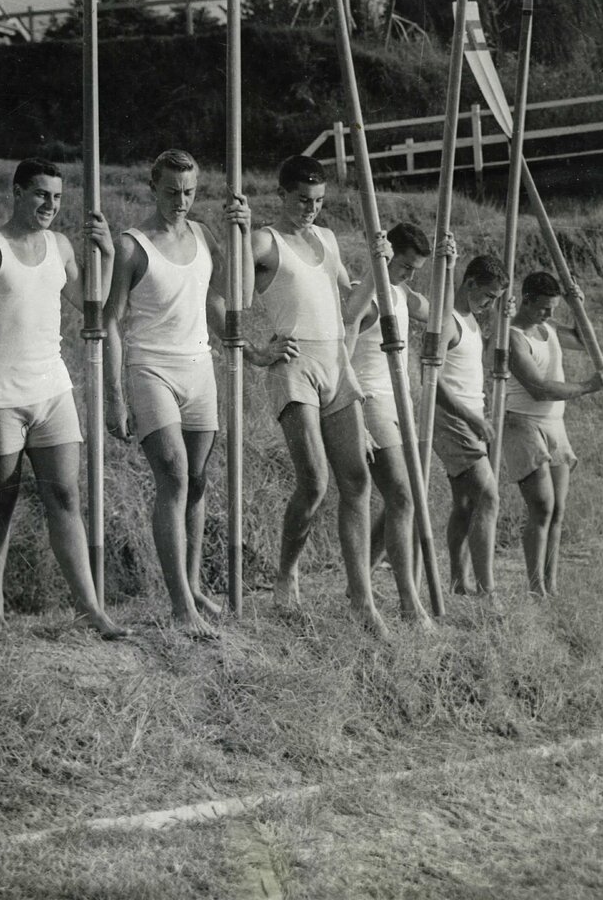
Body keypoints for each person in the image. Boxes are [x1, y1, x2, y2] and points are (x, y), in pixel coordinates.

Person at [0, 158, 126, 638]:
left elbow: (92, 305)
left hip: (52, 391)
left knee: (65, 496)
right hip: (0, 396)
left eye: (56, 197)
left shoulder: (60, 245)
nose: (50, 205)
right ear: (17, 192)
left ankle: (90, 609)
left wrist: (108, 255)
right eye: (40, 194)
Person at [104, 148, 253, 638]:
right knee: (172, 473)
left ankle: (192, 586)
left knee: (198, 480)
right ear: (153, 187)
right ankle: (180, 607)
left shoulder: (205, 235)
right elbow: (111, 322)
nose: (181, 201)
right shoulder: (132, 245)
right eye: (171, 191)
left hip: (198, 366)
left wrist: (242, 233)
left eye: (189, 192)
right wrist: (114, 395)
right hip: (151, 367)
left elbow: (233, 295)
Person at [246, 155, 389, 637]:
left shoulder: (326, 239)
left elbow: (351, 311)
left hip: (336, 363)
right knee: (314, 483)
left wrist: (378, 270)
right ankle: (286, 575)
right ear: (281, 194)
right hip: (295, 365)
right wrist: (255, 351)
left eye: (319, 201)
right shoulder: (264, 240)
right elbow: (223, 295)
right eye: (302, 200)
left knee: (358, 481)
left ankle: (361, 597)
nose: (310, 209)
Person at [346, 221, 452, 626]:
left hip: (400, 402)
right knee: (404, 497)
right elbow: (343, 348)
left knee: (400, 499)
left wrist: (447, 267)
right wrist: (355, 414)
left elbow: (440, 316)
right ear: (387, 254)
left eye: (415, 270)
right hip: (371, 401)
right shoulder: (366, 294)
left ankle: (361, 581)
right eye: (405, 266)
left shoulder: (403, 294)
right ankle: (409, 602)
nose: (409, 275)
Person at [503, 271, 603, 597]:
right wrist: (587, 387)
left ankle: (552, 585)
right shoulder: (512, 336)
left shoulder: (548, 327)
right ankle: (536, 590)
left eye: (554, 308)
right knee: (542, 506)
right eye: (544, 307)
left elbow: (584, 340)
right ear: (527, 299)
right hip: (522, 424)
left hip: (554, 425)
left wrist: (577, 307)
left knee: (558, 509)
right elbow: (539, 389)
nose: (549, 314)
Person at [432, 253, 509, 605]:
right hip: (454, 419)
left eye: (495, 299)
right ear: (471, 283)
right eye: (488, 296)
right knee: (488, 497)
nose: (490, 303)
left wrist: (502, 319)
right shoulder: (448, 320)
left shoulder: (472, 321)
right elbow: (432, 380)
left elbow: (480, 361)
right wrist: (470, 417)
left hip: (470, 416)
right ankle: (488, 593)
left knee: (465, 503)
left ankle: (458, 583)